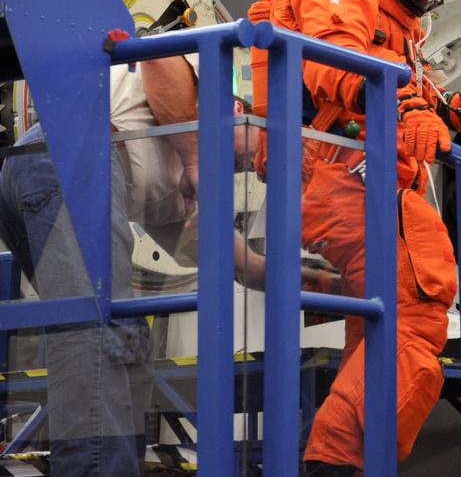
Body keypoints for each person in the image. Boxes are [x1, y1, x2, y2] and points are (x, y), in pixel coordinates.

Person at [284, 0, 461, 476]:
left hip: (365, 179)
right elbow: (334, 62)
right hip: (347, 178)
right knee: (416, 319)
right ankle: (336, 464)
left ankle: (349, 462)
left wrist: (451, 106)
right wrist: (407, 109)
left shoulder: (389, 4)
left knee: (383, 334)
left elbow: (389, 75)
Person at [0, 52, 311, 475]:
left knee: (129, 338)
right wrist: (197, 160)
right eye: (254, 156)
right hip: (72, 153)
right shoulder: (212, 91)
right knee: (97, 330)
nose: (250, 169)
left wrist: (314, 282)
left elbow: (235, 262)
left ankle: (115, 464)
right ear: (238, 113)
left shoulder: (171, 191)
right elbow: (160, 61)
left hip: (38, 170)